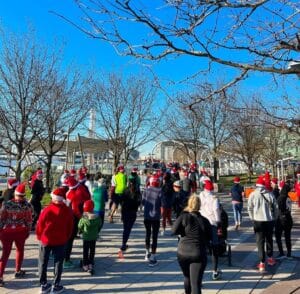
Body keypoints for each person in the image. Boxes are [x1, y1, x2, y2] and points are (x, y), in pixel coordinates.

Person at [36, 187, 73, 294]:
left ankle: (43, 284)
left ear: (53, 198)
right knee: (58, 263)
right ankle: (56, 285)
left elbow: (40, 225)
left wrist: (39, 236)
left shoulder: (47, 210)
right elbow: (70, 227)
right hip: (61, 240)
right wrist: (66, 237)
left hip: (46, 240)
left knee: (43, 262)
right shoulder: (68, 211)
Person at [172, 195, 212, 294]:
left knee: (187, 277)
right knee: (196, 283)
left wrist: (183, 231)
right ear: (199, 205)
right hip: (198, 252)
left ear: (189, 204)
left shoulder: (184, 217)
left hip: (183, 252)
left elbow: (173, 230)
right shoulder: (205, 221)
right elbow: (210, 237)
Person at [0, 183, 33, 287]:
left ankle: (0, 276)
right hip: (21, 232)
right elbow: (29, 220)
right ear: (24, 195)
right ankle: (17, 270)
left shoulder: (6, 204)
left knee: (5, 254)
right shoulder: (28, 206)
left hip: (6, 232)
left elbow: (1, 218)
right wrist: (27, 231)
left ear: (15, 194)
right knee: (20, 250)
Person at [248, 175, 278, 272]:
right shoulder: (270, 194)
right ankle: (270, 258)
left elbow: (249, 208)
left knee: (260, 241)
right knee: (269, 239)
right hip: (269, 221)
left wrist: (252, 218)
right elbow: (276, 208)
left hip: (258, 221)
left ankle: (261, 263)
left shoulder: (252, 194)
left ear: (257, 185)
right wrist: (275, 218)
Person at [64, 176, 90, 269]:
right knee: (69, 240)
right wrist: (83, 218)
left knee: (67, 239)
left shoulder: (71, 193)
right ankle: (66, 260)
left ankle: (65, 259)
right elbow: (77, 210)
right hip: (73, 219)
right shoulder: (80, 190)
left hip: (69, 218)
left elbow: (71, 207)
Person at [199, 180, 222, 280]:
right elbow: (216, 210)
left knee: (202, 247)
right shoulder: (214, 198)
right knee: (214, 247)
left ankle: (200, 272)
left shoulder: (200, 195)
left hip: (202, 223)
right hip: (212, 223)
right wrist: (219, 223)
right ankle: (215, 270)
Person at [118, 177, 141, 259]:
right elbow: (139, 202)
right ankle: (123, 244)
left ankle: (124, 243)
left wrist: (123, 206)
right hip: (132, 212)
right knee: (128, 228)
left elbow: (121, 200)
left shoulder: (125, 190)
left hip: (125, 211)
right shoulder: (137, 191)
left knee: (125, 228)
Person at [142, 176, 162, 266]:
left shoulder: (146, 190)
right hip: (156, 216)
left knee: (147, 233)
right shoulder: (160, 191)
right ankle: (153, 255)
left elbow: (142, 202)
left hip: (147, 215)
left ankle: (147, 252)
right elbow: (162, 203)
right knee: (154, 236)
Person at [78, 200, 102, 274]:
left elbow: (79, 226)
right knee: (92, 250)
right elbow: (99, 225)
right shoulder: (97, 218)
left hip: (86, 237)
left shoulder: (83, 219)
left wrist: (80, 231)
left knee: (85, 251)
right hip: (93, 237)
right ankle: (90, 264)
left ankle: (85, 264)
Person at [275, 181, 293, 260]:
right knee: (287, 237)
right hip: (289, 218)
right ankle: (289, 253)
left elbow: (277, 209)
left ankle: (281, 253)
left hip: (281, 220)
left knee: (278, 236)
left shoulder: (280, 198)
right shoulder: (288, 197)